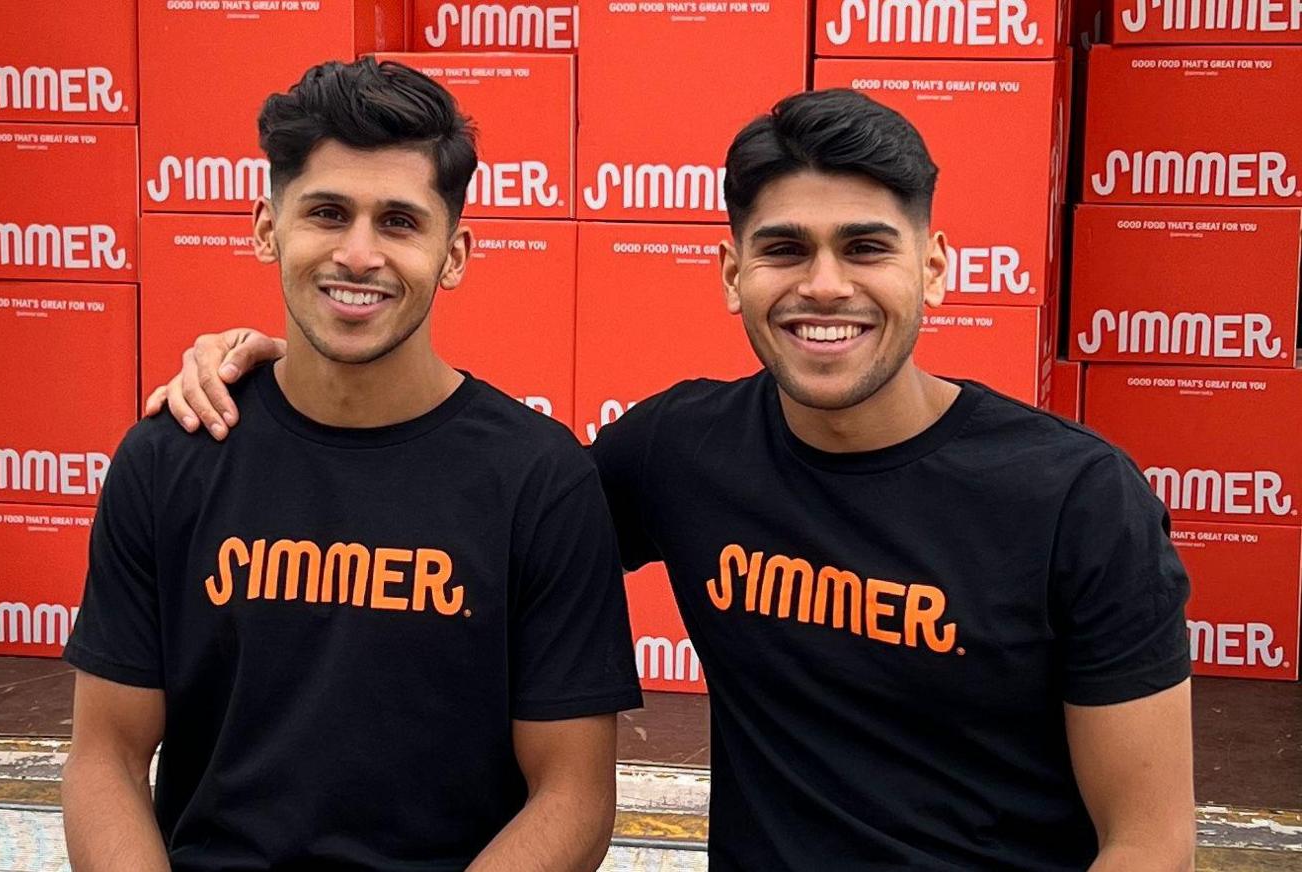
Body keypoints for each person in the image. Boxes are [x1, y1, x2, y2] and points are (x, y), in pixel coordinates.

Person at [157, 88, 1197, 870]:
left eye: (866, 247)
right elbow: (453, 502)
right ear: (730, 272)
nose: (823, 283)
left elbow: (1150, 837)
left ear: (934, 267)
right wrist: (284, 370)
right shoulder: (680, 451)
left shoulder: (1075, 500)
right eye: (783, 247)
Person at [61, 58, 643, 872]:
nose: (359, 254)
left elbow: (574, 796)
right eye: (327, 213)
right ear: (267, 227)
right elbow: (106, 758)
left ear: (455, 252)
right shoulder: (169, 458)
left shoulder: (539, 481)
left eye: (400, 222)